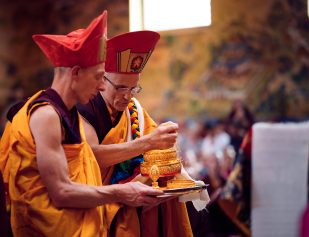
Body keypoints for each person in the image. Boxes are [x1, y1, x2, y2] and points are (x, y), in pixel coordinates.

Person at [0, 11, 164, 237]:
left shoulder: (69, 114)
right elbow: (61, 192)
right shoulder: (46, 114)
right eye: (98, 77)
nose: (100, 87)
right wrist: (120, 192)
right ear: (76, 73)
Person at [77, 31, 193, 237]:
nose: (127, 96)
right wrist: (148, 142)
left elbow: (158, 153)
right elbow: (90, 156)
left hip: (136, 200)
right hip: (93, 203)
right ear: (102, 80)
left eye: (133, 88)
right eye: (121, 87)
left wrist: (166, 152)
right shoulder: (85, 107)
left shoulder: (133, 109)